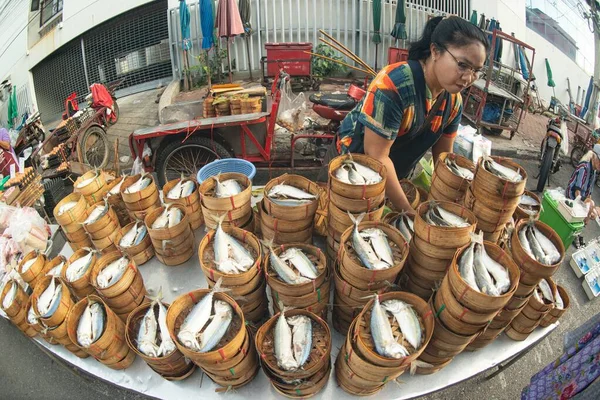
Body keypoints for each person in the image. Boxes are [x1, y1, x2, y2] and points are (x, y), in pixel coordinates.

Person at [334, 16, 489, 214]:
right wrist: (407, 209)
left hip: (392, 178)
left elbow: (443, 158)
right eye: (462, 64)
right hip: (350, 171)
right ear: (435, 51)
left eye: (476, 71)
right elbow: (377, 156)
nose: (468, 78)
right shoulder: (393, 85)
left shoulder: (453, 101)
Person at [566, 145, 600, 247]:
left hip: (582, 197)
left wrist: (592, 210)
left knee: (595, 211)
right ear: (594, 157)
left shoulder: (593, 172)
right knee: (590, 206)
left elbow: (589, 193)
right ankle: (576, 232)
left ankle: (578, 230)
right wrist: (585, 207)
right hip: (572, 194)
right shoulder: (584, 167)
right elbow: (577, 191)